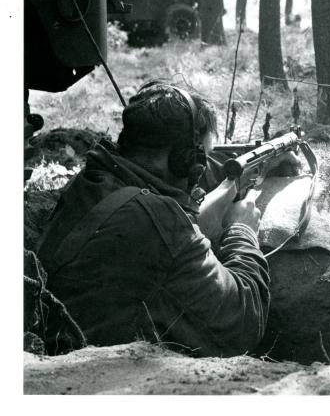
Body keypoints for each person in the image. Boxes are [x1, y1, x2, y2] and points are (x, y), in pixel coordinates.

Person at [35, 81, 271, 357]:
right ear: (185, 160)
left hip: (53, 346)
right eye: (201, 160)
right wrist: (242, 230)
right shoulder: (159, 222)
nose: (201, 170)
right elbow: (243, 322)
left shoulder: (91, 182)